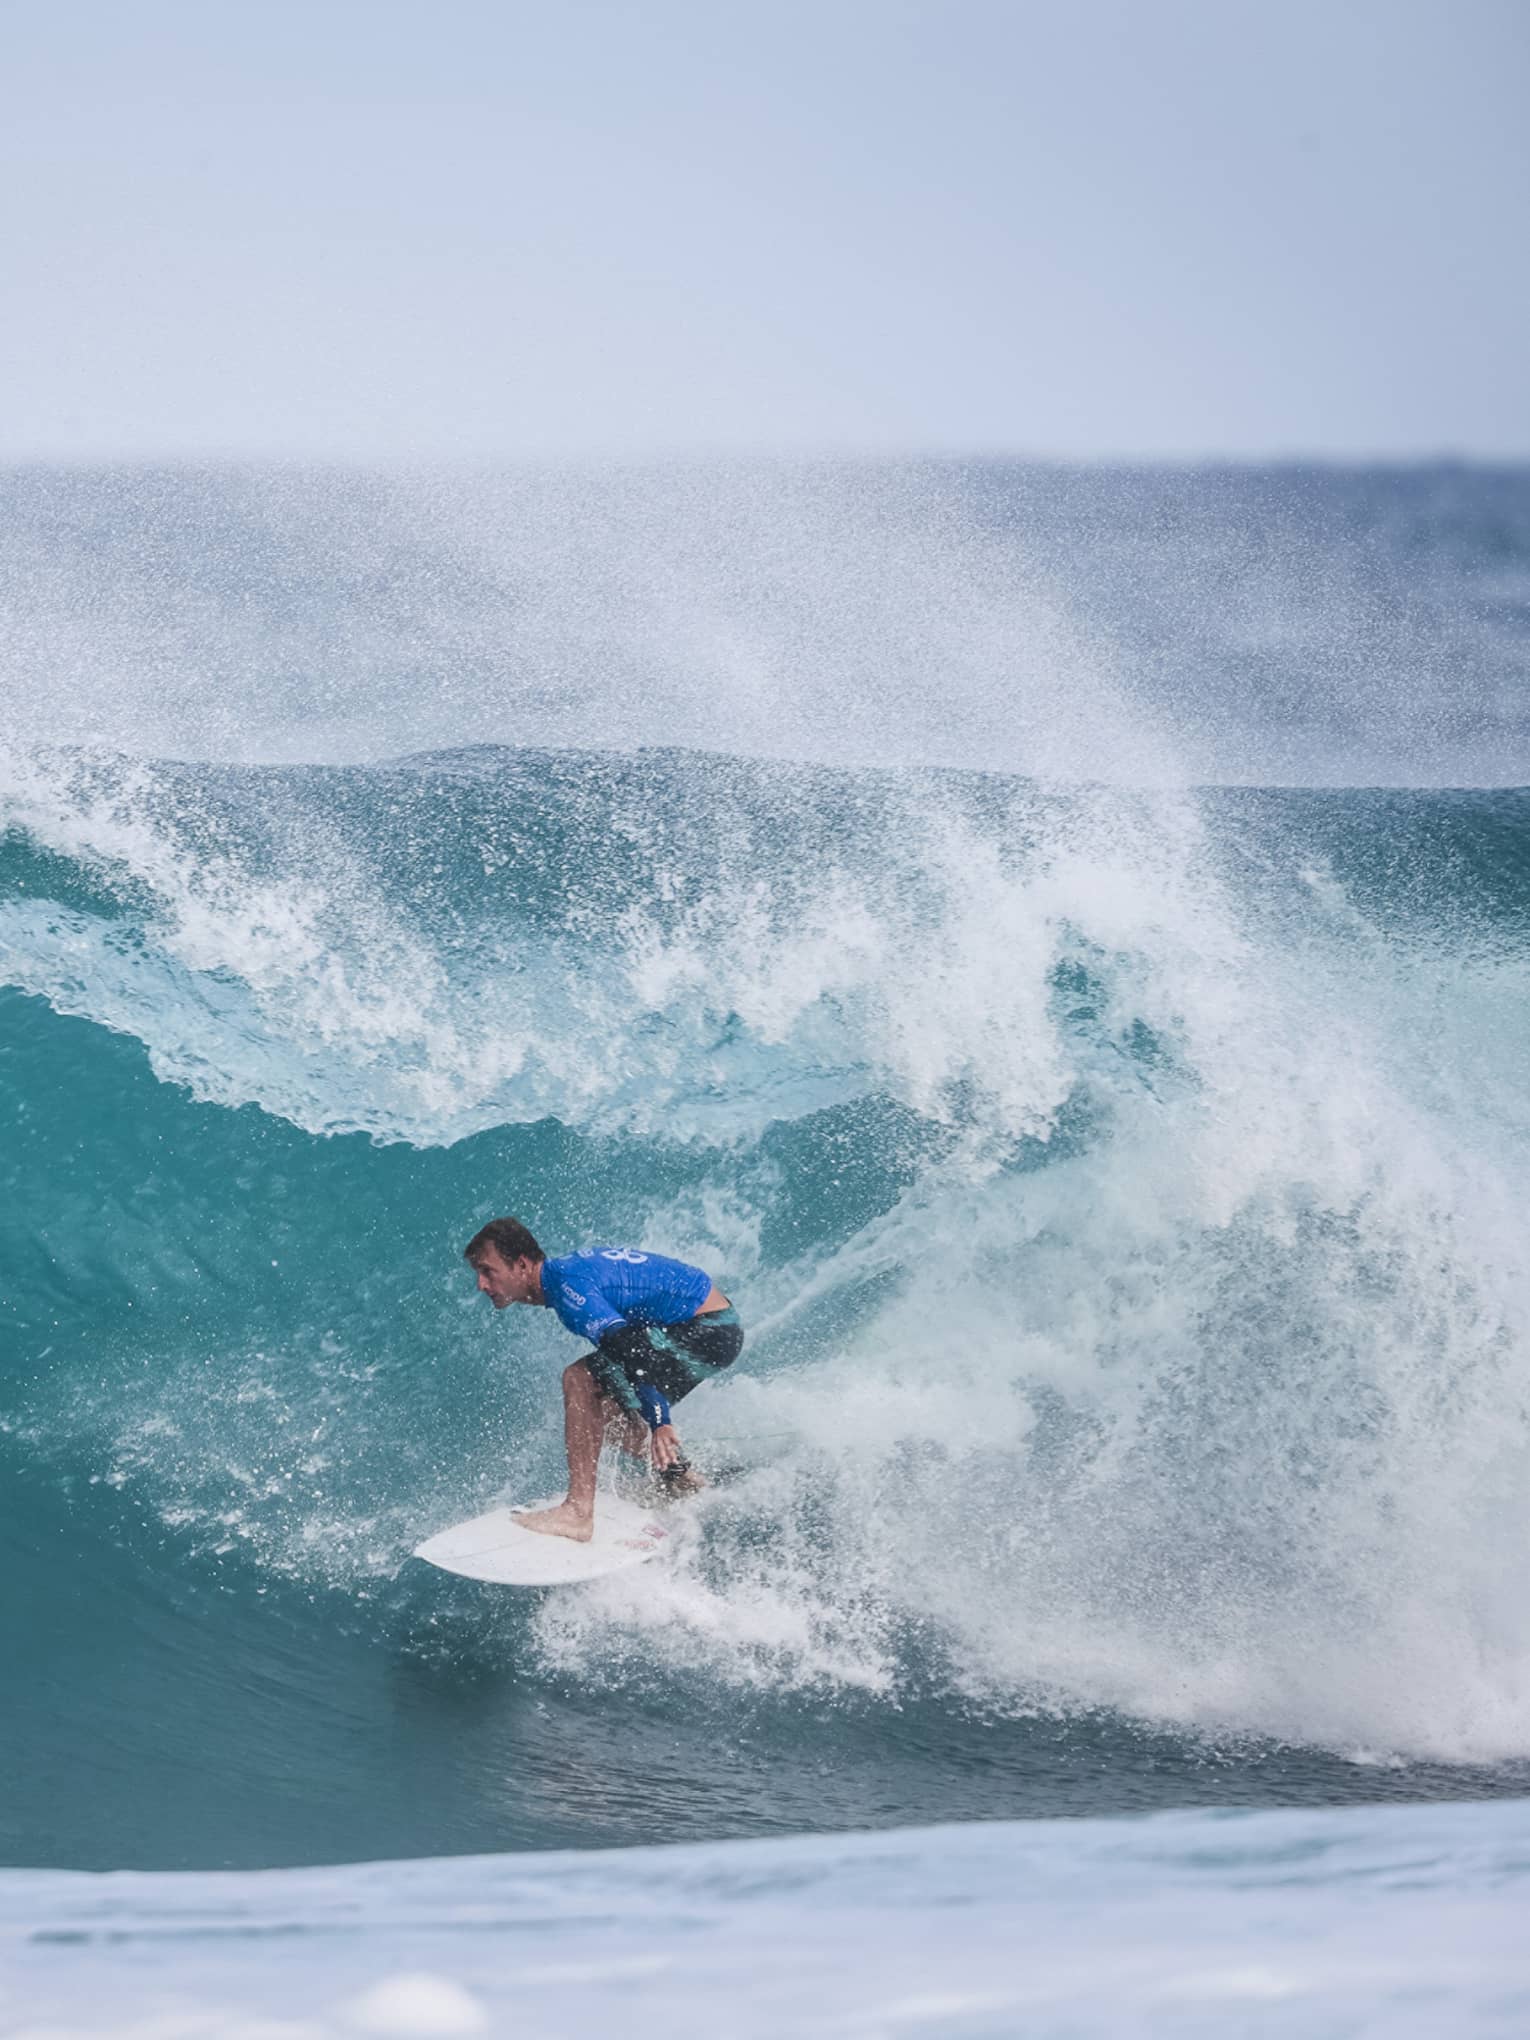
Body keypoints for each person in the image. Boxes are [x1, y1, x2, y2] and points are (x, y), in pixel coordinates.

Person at [463, 1216, 744, 1542]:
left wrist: (659, 1420)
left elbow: (633, 1351)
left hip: (707, 1328)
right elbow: (631, 1350)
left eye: (488, 1271)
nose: (481, 1285)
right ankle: (681, 1477)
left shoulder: (570, 1291)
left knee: (578, 1380)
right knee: (595, 1417)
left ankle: (578, 1513)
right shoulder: (562, 1279)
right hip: (712, 1326)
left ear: (522, 1265)